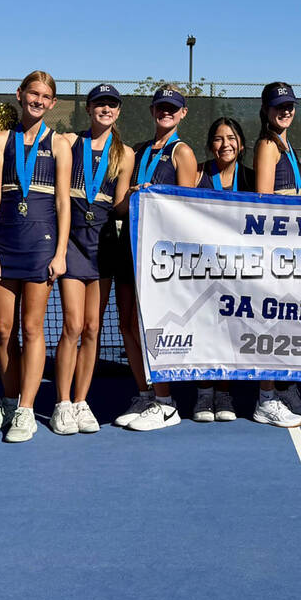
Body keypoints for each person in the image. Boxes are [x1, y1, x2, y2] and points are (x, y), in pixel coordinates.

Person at [0, 71, 71, 443]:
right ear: (20, 95)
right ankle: (8, 399)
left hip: (41, 244)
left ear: (52, 103)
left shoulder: (61, 144)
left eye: (45, 96)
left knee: (33, 328)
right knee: (4, 331)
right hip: (4, 243)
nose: (38, 100)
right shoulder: (1, 139)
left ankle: (27, 410)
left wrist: (60, 251)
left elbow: (63, 201)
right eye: (33, 93)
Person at [112, 85, 198, 431]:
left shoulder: (183, 153)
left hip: (159, 258)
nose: (166, 113)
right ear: (152, 110)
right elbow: (119, 206)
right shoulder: (138, 151)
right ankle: (146, 393)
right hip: (130, 249)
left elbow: (189, 208)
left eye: (172, 108)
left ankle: (165, 403)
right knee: (127, 326)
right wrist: (134, 196)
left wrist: (157, 196)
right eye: (161, 107)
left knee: (150, 328)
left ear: (182, 113)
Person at [50, 84, 133, 435]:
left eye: (111, 105)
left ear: (117, 112)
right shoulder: (69, 143)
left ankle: (82, 402)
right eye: (99, 104)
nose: (105, 110)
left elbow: (118, 204)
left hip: (102, 245)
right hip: (70, 242)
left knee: (93, 328)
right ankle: (62, 404)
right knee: (71, 325)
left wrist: (140, 197)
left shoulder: (124, 153)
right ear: (88, 108)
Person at [250, 81, 301, 428]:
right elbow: (265, 201)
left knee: (288, 322)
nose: (285, 111)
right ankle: (266, 397)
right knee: (271, 323)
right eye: (278, 107)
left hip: (294, 249)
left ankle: (283, 386)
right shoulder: (267, 147)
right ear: (266, 111)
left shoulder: (286, 144)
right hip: (277, 250)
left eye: (289, 106)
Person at [190, 117, 254, 422]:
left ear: (241, 144)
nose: (225, 144)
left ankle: (224, 392)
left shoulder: (253, 178)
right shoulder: (197, 173)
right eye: (218, 138)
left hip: (239, 271)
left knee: (229, 329)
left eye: (231, 138)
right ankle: (204, 392)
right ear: (210, 144)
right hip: (200, 268)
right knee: (203, 327)